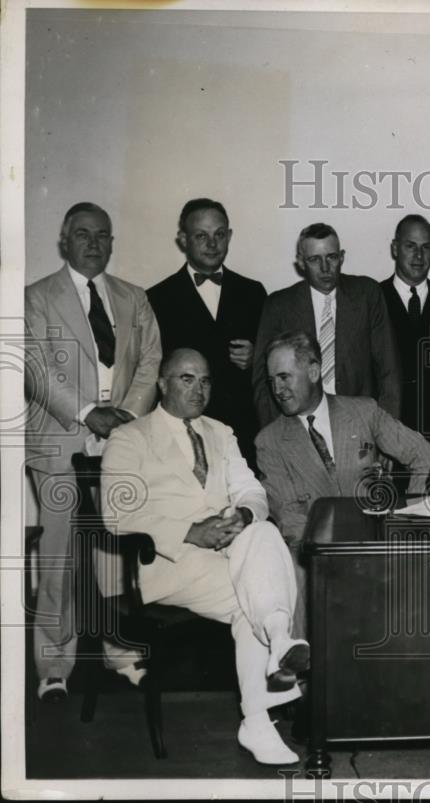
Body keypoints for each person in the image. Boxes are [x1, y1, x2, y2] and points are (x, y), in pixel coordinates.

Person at [101, 349, 308, 765]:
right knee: (252, 593)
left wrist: (245, 515)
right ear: (162, 383)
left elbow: (250, 489)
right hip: (167, 562)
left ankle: (274, 654)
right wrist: (191, 532)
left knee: (263, 531)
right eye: (187, 379)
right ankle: (265, 685)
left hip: (228, 552)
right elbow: (117, 513)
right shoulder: (130, 437)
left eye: (206, 380)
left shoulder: (221, 431)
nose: (199, 390)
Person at [24, 202, 162, 702]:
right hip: (61, 442)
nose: (94, 243)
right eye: (83, 234)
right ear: (65, 241)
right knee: (59, 557)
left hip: (121, 442)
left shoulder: (133, 297)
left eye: (103, 235)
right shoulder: (36, 298)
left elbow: (150, 361)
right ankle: (54, 664)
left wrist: (123, 417)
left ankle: (116, 647)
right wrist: (87, 413)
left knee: (117, 551)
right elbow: (35, 368)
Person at [255, 331, 430, 636]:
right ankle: (304, 667)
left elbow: (422, 454)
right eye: (272, 380)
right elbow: (291, 520)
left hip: (381, 545)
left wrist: (409, 518)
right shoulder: (269, 442)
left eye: (285, 377)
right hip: (318, 558)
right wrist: (337, 557)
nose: (278, 390)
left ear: (313, 371)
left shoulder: (363, 411)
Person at [147, 198, 266, 468]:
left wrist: (257, 355)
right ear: (182, 239)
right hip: (183, 432)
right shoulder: (156, 298)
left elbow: (273, 360)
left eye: (219, 235)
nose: (212, 244)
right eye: (202, 236)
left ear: (230, 236)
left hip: (243, 431)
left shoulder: (253, 292)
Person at [252, 222, 400, 427]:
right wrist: (278, 438)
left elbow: (389, 372)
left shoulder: (367, 294)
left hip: (360, 425)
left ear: (342, 257)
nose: (325, 268)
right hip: (300, 427)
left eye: (331, 257)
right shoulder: (279, 305)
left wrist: (386, 433)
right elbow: (262, 379)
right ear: (301, 263)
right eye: (314, 259)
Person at [380, 214, 430, 441]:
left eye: (426, 247)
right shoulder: (372, 301)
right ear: (395, 249)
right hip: (387, 433)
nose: (418, 255)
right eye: (410, 246)